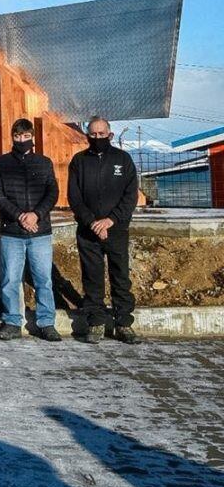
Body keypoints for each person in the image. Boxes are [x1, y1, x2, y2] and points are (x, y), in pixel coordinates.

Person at [67, 115, 139, 344]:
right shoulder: (78, 161)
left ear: (110, 134)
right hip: (88, 232)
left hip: (116, 230)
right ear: (87, 135)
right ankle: (96, 322)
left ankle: (123, 323)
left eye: (101, 134)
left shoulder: (123, 160)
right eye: (93, 134)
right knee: (92, 278)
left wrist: (110, 221)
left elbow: (130, 196)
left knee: (120, 276)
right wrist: (92, 222)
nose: (97, 138)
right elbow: (74, 197)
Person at [0, 117, 61, 342]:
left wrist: (35, 214)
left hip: (39, 231)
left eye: (26, 136)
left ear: (32, 138)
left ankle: (46, 323)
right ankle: (12, 321)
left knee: (43, 279)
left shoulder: (44, 162)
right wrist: (19, 215)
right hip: (12, 231)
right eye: (18, 136)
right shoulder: (1, 163)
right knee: (11, 279)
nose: (22, 140)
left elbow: (52, 193)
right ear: (12, 137)